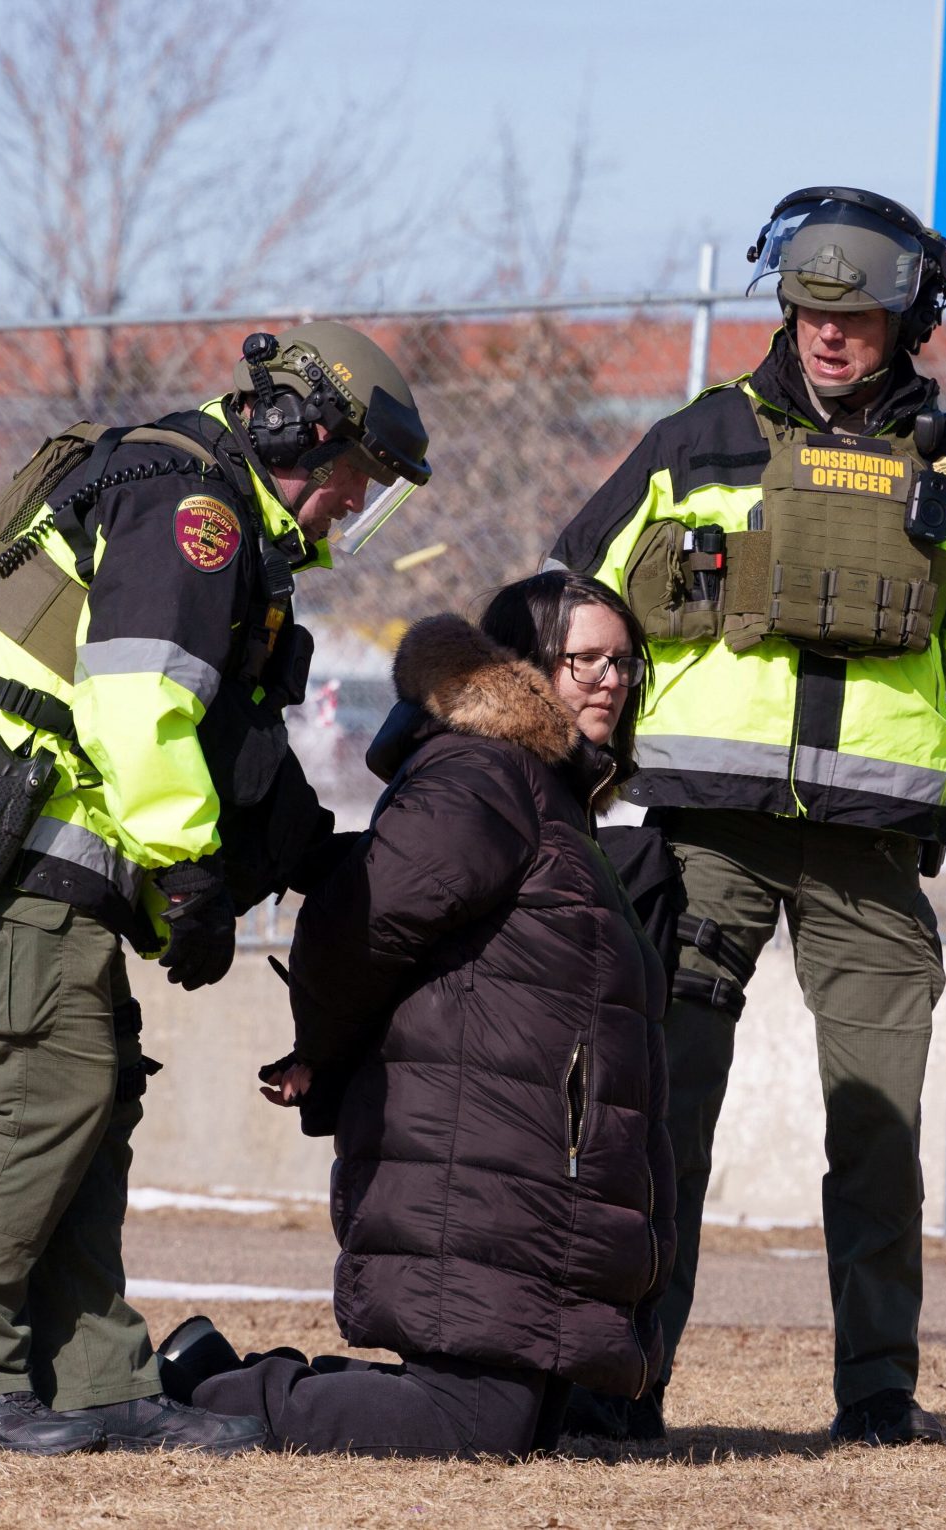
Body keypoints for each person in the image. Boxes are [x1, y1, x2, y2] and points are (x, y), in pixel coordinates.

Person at [545, 187, 946, 1444]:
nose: (828, 333)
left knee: (878, 1132)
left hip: (872, 848)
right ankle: (622, 1381)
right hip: (699, 836)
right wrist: (554, 775)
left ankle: (877, 1389)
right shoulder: (691, 441)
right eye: (808, 308)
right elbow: (571, 606)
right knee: (660, 1116)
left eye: (857, 316)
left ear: (906, 324)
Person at [0, 323, 431, 1456]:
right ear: (304, 436)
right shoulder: (194, 513)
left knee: (96, 1089)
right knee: (53, 1088)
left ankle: (96, 1380)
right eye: (355, 478)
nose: (351, 507)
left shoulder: (209, 506)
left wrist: (298, 859)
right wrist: (185, 873)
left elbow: (231, 743)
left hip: (20, 820)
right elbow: (138, 705)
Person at [155, 573, 675, 1458]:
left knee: (518, 1422)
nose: (610, 681)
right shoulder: (486, 774)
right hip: (472, 1150)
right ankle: (200, 1394)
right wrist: (322, 1050)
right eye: (585, 659)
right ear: (523, 666)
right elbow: (362, 918)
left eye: (624, 662)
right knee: (474, 1422)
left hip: (516, 1161)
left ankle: (210, 1374)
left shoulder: (545, 792)